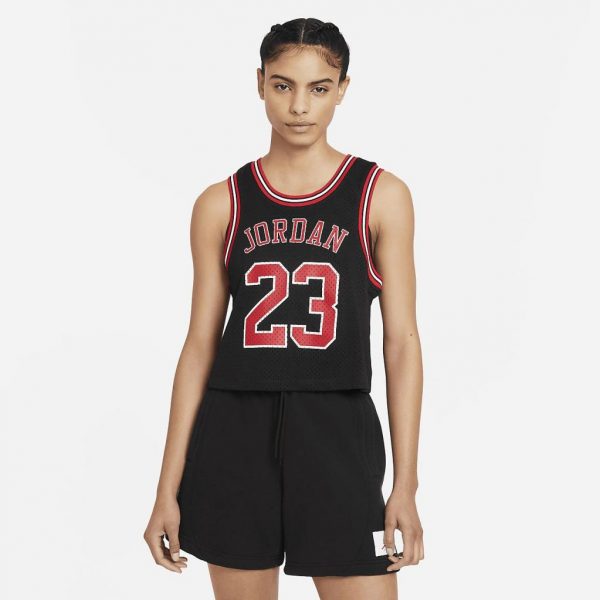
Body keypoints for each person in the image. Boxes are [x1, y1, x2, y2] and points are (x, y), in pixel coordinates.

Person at [143, 17, 424, 600]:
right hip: (234, 433)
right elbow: (199, 344)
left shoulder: (380, 196)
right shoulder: (221, 203)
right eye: (282, 85)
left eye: (318, 88)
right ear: (260, 84)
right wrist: (166, 488)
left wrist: (406, 485)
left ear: (342, 89)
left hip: (338, 430)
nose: (299, 106)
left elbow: (401, 343)